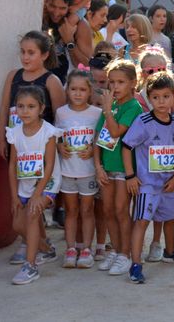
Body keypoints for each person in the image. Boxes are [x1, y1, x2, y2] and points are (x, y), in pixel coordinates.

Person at [120, 72, 174, 283]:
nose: (161, 102)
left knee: (171, 218)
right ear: (149, 99)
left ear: (173, 97)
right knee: (142, 221)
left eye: (166, 96)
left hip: (167, 183)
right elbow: (126, 147)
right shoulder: (143, 121)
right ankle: (136, 263)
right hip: (147, 184)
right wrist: (130, 176)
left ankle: (170, 252)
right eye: (156, 97)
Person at [7, 87, 63, 285]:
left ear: (41, 108)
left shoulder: (48, 132)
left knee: (32, 215)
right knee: (17, 225)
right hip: (26, 183)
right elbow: (12, 165)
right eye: (21, 106)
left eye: (31, 106)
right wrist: (14, 196)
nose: (25, 111)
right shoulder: (14, 133)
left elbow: (50, 165)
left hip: (48, 183)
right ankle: (46, 249)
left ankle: (30, 266)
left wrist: (38, 194)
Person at [93, 59, 143, 276]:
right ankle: (115, 249)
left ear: (133, 83)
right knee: (108, 210)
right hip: (107, 167)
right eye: (111, 82)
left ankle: (125, 253)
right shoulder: (110, 106)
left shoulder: (134, 107)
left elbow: (115, 132)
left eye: (121, 82)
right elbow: (98, 138)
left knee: (122, 210)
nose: (115, 87)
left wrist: (107, 110)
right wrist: (98, 166)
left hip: (125, 169)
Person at [56, 69, 102, 270]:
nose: (77, 93)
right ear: (67, 90)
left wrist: (92, 149)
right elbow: (57, 136)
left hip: (88, 171)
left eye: (82, 90)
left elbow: (100, 139)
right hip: (67, 171)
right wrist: (59, 146)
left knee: (87, 210)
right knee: (71, 211)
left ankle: (86, 249)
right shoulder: (61, 113)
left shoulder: (96, 113)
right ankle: (70, 249)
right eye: (73, 89)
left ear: (90, 91)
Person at [0, 31, 66, 160]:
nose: (25, 57)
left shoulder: (52, 81)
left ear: (44, 55)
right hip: (16, 144)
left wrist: (58, 144)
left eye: (31, 53)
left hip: (41, 147)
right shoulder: (13, 76)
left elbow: (60, 117)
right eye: (22, 52)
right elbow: (4, 108)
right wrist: (1, 139)